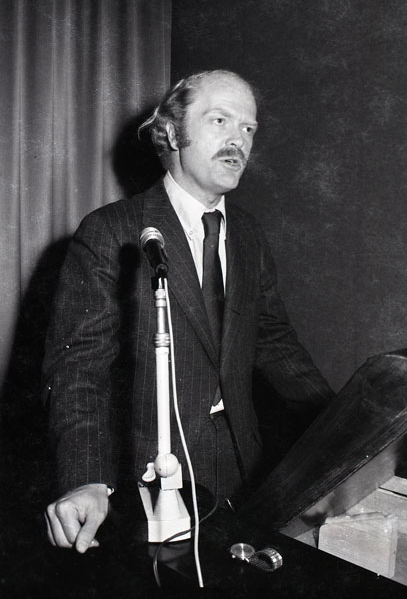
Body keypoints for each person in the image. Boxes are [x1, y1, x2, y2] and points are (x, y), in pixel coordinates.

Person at [43, 69, 333, 554]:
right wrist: (85, 478)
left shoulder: (248, 234)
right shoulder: (113, 230)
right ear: (173, 132)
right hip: (148, 475)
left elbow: (277, 343)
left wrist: (342, 429)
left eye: (248, 128)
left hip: (243, 465)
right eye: (220, 120)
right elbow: (79, 369)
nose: (238, 140)